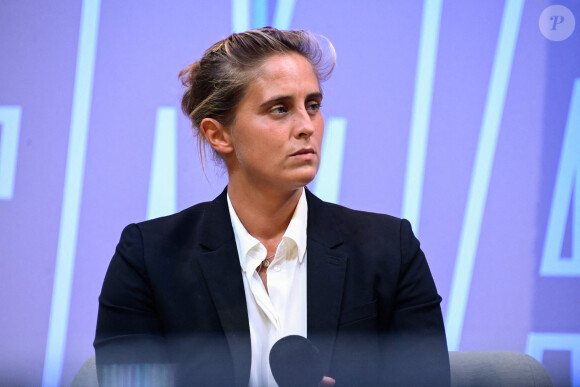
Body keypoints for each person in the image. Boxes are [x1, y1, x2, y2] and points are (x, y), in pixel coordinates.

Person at [94, 27, 450, 386]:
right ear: (218, 134)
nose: (307, 126)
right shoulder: (149, 258)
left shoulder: (389, 250)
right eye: (280, 109)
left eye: (313, 106)